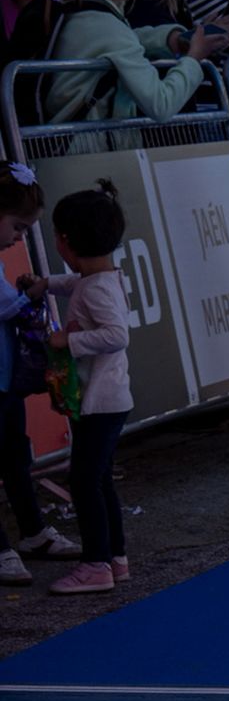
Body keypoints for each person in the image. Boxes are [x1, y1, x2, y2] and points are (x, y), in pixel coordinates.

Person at [20, 180, 133, 595]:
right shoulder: (99, 278)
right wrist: (45, 284)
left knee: (84, 481)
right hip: (106, 399)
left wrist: (67, 340)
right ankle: (114, 557)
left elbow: (116, 335)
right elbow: (75, 285)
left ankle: (96, 564)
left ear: (64, 242)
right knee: (99, 479)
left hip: (100, 401)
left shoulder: (98, 287)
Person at [45, 0, 229, 124]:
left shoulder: (80, 14)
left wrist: (175, 39)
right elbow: (161, 104)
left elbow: (127, 39)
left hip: (67, 147)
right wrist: (194, 58)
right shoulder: (110, 28)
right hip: (91, 151)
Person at [0, 163, 81, 587]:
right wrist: (29, 295)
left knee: (15, 454)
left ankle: (31, 531)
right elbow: (4, 305)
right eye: (17, 225)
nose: (20, 235)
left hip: (4, 378)